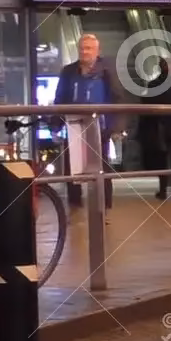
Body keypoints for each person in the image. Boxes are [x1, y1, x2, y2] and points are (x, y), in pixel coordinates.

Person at [53, 33, 116, 210]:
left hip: (99, 125)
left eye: (88, 48)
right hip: (73, 124)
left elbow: (117, 98)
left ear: (97, 51)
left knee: (102, 165)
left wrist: (115, 127)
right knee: (70, 164)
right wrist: (55, 124)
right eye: (82, 48)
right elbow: (60, 98)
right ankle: (74, 202)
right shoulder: (68, 71)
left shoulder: (107, 71)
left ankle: (105, 204)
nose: (84, 52)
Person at [135, 59, 171, 202]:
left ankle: (163, 190)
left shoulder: (153, 85)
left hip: (158, 128)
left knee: (161, 161)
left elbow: (145, 106)